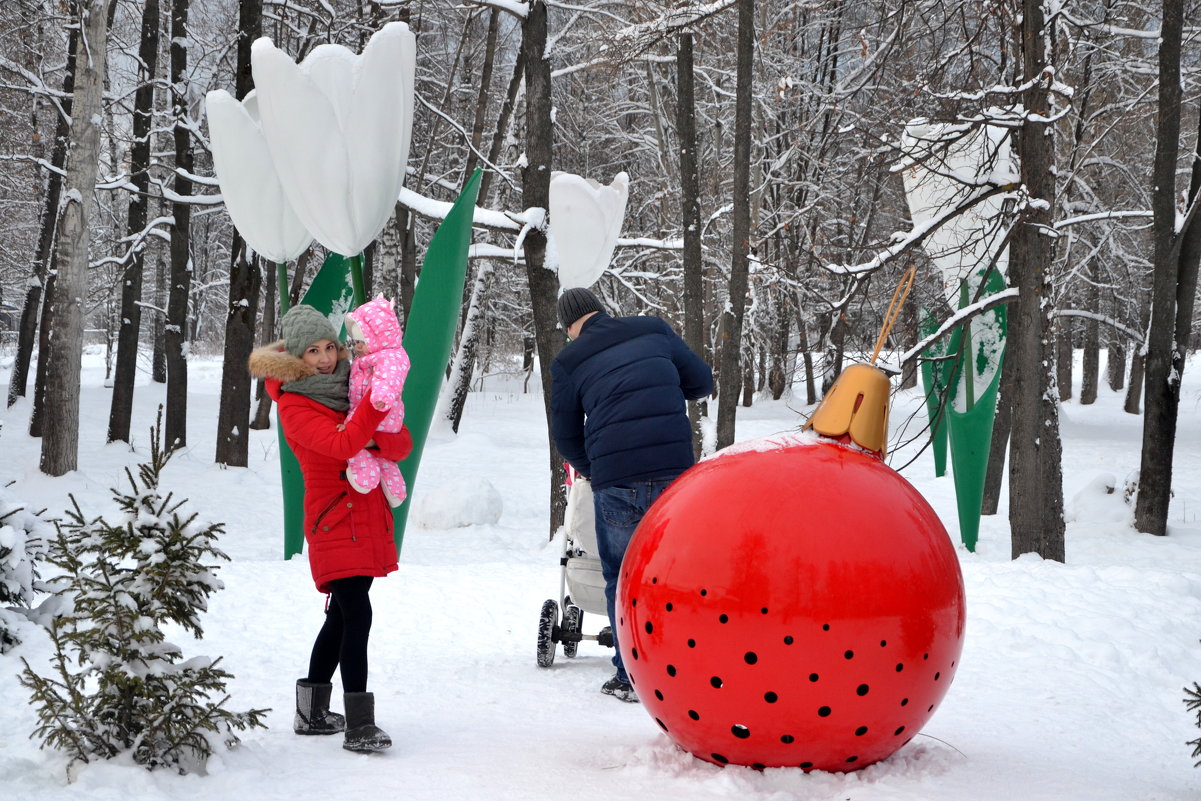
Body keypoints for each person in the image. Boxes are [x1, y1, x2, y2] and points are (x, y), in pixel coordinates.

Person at [249, 304, 412, 753]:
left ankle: (312, 711)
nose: (324, 359)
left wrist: (370, 421)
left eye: (329, 348)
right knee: (356, 613)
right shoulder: (295, 404)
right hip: (333, 519)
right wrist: (372, 413)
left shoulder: (353, 388)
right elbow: (343, 444)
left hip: (365, 513)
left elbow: (401, 443)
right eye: (312, 352)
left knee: (341, 617)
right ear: (294, 359)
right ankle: (360, 724)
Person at [550, 287, 713, 702]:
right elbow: (702, 382)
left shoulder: (569, 361)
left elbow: (566, 438)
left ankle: (629, 677)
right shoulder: (652, 330)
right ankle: (688, 667)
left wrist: (595, 470)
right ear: (599, 311)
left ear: (571, 326)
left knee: (622, 579)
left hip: (617, 482)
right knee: (678, 576)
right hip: (676, 478)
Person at [342, 296, 411, 507]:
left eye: (362, 342)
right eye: (356, 342)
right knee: (384, 458)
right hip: (385, 418)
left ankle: (363, 470)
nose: (358, 347)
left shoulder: (390, 357)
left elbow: (388, 379)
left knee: (351, 434)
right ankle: (394, 487)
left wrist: (381, 398)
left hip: (380, 411)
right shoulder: (371, 358)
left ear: (376, 338)